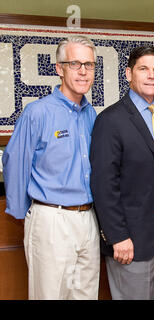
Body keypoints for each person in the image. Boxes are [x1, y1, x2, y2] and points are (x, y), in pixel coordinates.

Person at [3, 36, 100, 300]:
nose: (83, 71)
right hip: (51, 219)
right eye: (75, 63)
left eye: (89, 65)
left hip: (88, 218)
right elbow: (15, 162)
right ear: (59, 68)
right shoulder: (38, 112)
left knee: (86, 295)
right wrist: (26, 214)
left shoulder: (92, 115)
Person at [90, 46, 154, 300]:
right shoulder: (111, 120)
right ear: (129, 74)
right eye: (144, 69)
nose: (151, 76)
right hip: (128, 233)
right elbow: (103, 184)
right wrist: (118, 236)